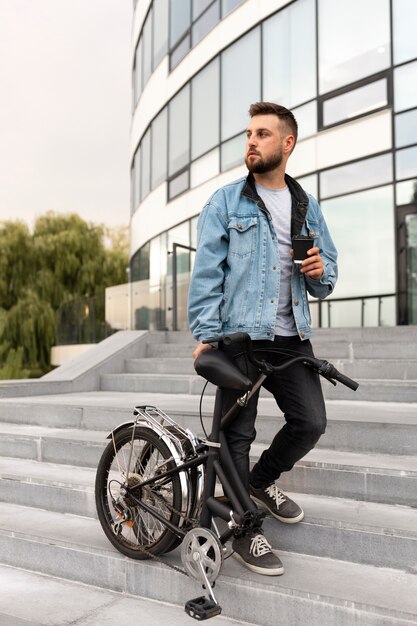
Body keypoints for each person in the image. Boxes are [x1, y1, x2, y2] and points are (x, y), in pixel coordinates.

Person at [188, 102, 337, 576]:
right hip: (242, 338)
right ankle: (245, 528)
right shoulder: (225, 202)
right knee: (235, 436)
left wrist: (320, 271)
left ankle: (260, 481)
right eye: (249, 133)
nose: (251, 141)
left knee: (310, 422)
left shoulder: (306, 206)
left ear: (287, 144)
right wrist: (209, 335)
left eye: (263, 134)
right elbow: (206, 273)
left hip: (292, 338)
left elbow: (327, 269)